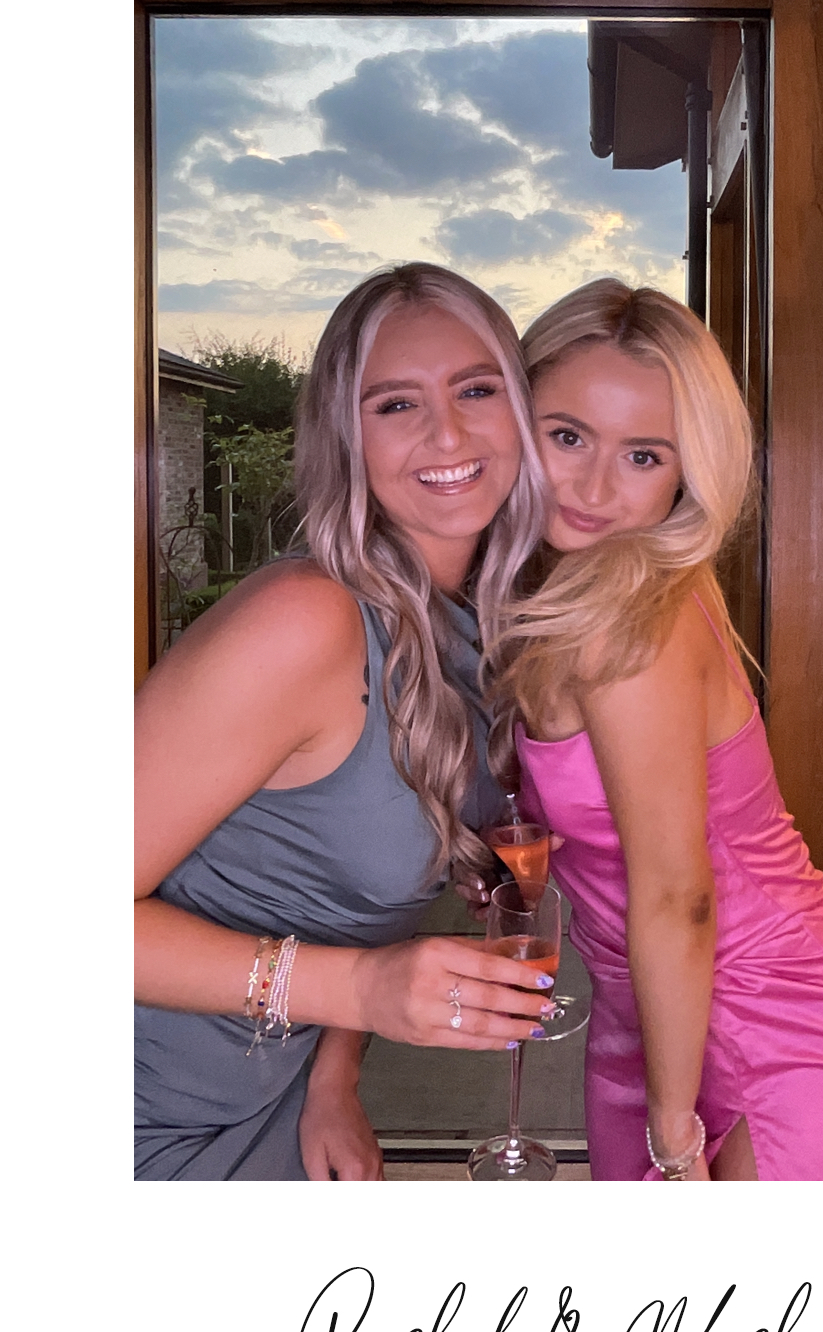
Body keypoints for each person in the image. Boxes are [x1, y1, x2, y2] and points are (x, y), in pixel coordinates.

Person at [135, 264, 558, 1181]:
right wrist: (360, 991)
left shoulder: (485, 633)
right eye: (396, 404)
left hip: (280, 1095)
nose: (447, 433)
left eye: (476, 389)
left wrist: (336, 1076)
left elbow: (348, 896)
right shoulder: (303, 621)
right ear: (345, 437)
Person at [487, 281, 823, 1181]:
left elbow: (680, 894)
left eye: (644, 456)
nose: (596, 486)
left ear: (688, 471)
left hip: (778, 1025)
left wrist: (674, 1142)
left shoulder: (628, 610)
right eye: (568, 437)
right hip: (647, 1021)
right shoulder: (567, 594)